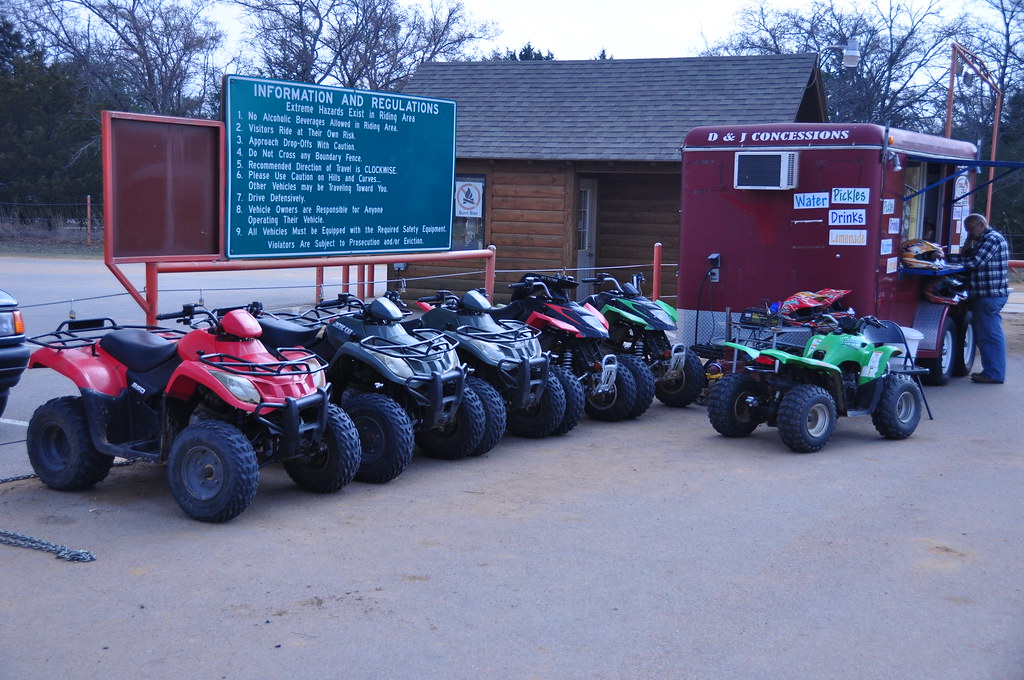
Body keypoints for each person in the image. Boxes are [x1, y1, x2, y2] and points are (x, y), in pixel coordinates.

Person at [959, 213, 1010, 384]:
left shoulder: (991, 239)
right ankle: (992, 371)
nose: (970, 233)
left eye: (971, 229)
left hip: (990, 295)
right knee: (986, 333)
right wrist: (968, 241)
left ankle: (994, 373)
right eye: (967, 231)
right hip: (986, 295)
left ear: (982, 224)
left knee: (990, 334)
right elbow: (965, 256)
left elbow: (974, 262)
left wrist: (948, 264)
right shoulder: (981, 240)